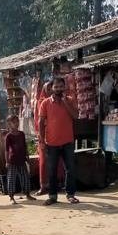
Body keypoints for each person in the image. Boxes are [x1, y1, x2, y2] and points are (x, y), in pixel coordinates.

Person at [37, 77, 79, 206]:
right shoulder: (45, 103)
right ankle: (53, 196)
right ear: (52, 89)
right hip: (51, 142)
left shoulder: (70, 100)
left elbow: (75, 116)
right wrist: (42, 140)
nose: (59, 89)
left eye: (61, 86)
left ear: (64, 87)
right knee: (52, 170)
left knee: (70, 169)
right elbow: (40, 122)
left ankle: (70, 195)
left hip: (68, 141)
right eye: (56, 87)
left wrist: (65, 102)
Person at [4, 115, 35, 204]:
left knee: (25, 177)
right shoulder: (8, 136)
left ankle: (27, 194)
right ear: (9, 124)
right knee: (12, 179)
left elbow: (25, 147)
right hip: (12, 160)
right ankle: (11, 197)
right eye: (14, 122)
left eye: (17, 121)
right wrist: (7, 162)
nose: (16, 123)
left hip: (22, 159)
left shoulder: (21, 134)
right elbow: (6, 150)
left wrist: (27, 157)